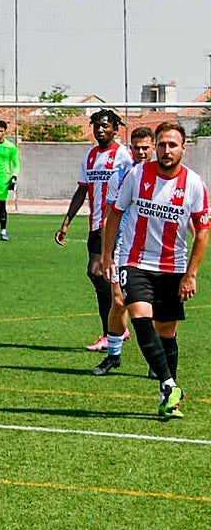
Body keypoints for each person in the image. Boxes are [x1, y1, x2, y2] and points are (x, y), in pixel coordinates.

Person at [101, 122, 209, 419]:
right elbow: (115, 213)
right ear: (156, 147)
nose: (166, 150)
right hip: (135, 260)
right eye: (162, 144)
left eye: (172, 145)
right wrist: (108, 256)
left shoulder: (194, 184)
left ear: (183, 148)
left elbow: (202, 231)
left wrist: (191, 274)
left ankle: (167, 396)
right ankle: (170, 384)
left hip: (173, 266)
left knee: (167, 331)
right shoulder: (137, 175)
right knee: (139, 314)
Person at [55, 110, 135, 352]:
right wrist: (66, 222)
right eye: (96, 126)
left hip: (114, 224)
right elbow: (82, 190)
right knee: (99, 275)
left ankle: (112, 331)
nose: (100, 130)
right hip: (95, 223)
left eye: (105, 126)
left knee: (98, 272)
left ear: (115, 129)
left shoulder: (123, 155)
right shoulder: (90, 157)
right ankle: (118, 325)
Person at [92, 125, 154, 377]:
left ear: (153, 148)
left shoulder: (163, 176)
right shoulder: (120, 176)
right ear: (131, 149)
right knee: (118, 301)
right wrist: (106, 254)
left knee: (155, 309)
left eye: (145, 148)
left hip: (155, 250)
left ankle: (156, 360)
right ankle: (114, 355)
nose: (141, 152)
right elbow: (109, 216)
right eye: (136, 148)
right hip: (124, 248)